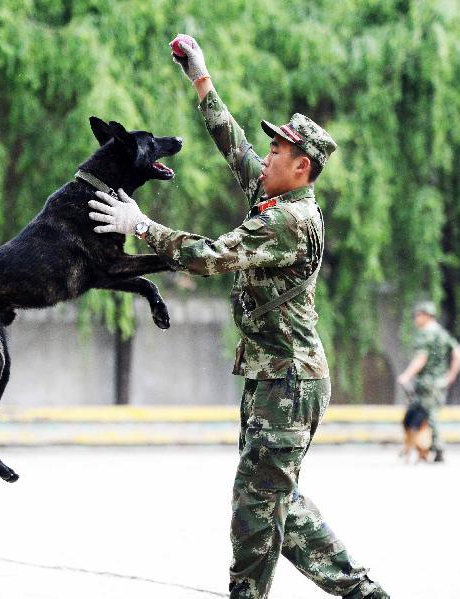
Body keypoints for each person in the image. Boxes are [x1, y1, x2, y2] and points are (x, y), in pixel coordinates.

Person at [87, 34, 389, 599]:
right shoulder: (275, 197)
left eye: (278, 151)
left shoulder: (287, 222)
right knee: (275, 502)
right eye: (271, 147)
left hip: (288, 381)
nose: (267, 154)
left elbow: (212, 256)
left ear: (301, 168)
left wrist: (141, 226)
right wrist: (200, 78)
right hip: (273, 376)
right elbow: (234, 144)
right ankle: (363, 593)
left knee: (256, 509)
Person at [396, 301, 460, 463]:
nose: (415, 319)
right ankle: (422, 448)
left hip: (427, 383)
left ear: (426, 316)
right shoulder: (442, 334)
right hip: (438, 382)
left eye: (418, 315)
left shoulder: (426, 334)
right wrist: (450, 376)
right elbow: (459, 354)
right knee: (424, 415)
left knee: (427, 415)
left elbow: (421, 358)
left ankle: (438, 448)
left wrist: (406, 375)